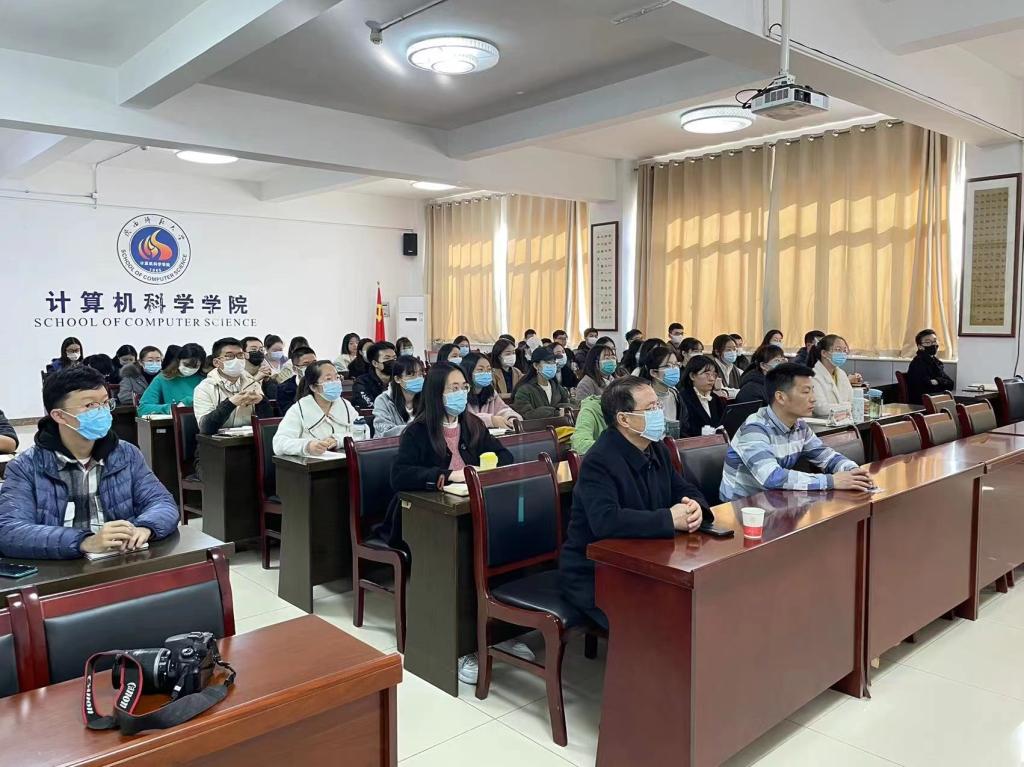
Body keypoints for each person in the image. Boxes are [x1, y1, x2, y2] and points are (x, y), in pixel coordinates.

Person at [383, 362, 522, 683]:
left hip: (471, 510)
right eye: (453, 388)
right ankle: (460, 647)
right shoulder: (418, 431)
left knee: (509, 546)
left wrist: (485, 466)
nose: (461, 393)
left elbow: (506, 457)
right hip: (425, 520)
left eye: (464, 387)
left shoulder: (472, 423)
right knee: (462, 560)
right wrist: (446, 476)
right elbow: (399, 475)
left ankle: (501, 631)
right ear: (436, 394)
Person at [560, 377, 711, 630]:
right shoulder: (599, 460)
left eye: (658, 405)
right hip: (597, 570)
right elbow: (606, 521)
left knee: (701, 601)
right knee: (662, 619)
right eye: (650, 408)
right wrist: (669, 519)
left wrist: (695, 507)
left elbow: (684, 488)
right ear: (624, 419)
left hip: (648, 559)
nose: (658, 413)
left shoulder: (656, 448)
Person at [0, 366, 179, 559]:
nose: (101, 411)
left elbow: (163, 503)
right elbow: (9, 530)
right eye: (89, 405)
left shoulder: (126, 454)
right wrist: (84, 542)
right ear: (59, 415)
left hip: (124, 561)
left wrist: (145, 527)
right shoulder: (26, 467)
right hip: (63, 569)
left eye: (105, 402)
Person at [720, 363, 874, 500]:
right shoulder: (754, 429)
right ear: (780, 397)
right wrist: (831, 481)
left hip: (775, 502)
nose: (813, 398)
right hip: (741, 510)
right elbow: (771, 477)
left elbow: (826, 456)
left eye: (813, 391)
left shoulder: (800, 425)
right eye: (806, 392)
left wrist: (853, 471)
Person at [273, 360, 366, 456]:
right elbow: (279, 444)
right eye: (328, 379)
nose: (335, 382)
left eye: (337, 377)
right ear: (314, 387)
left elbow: (364, 433)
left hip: (346, 460)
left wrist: (338, 440)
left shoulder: (345, 405)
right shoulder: (299, 409)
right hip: (311, 463)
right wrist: (307, 446)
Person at [193, 337, 272, 435]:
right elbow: (205, 428)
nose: (236, 360)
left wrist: (261, 401)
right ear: (217, 362)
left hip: (250, 440)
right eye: (229, 356)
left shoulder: (252, 383)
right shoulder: (205, 388)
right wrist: (231, 403)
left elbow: (267, 424)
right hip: (218, 443)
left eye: (240, 355)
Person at [137, 343, 206, 416]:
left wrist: (189, 401)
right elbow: (143, 408)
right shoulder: (163, 378)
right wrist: (171, 408)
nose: (190, 369)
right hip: (173, 422)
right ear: (178, 360)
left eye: (195, 366)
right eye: (186, 364)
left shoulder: (204, 380)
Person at [460, 352, 521, 428]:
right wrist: (491, 420)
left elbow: (503, 409)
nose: (485, 373)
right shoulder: (460, 393)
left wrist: (511, 418)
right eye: (480, 370)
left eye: (488, 370)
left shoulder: (491, 393)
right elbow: (463, 419)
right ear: (468, 371)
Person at [808, 334, 864, 417]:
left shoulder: (841, 374)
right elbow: (821, 409)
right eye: (838, 350)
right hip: (822, 422)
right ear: (824, 353)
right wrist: (851, 406)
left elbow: (852, 400)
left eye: (844, 350)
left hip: (844, 420)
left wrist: (858, 404)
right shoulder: (813, 376)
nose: (842, 353)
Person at [638, 345, 688, 433]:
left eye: (676, 364)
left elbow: (684, 426)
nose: (675, 369)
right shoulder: (642, 397)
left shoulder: (676, 396)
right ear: (653, 372)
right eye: (668, 366)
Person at [372, 356, 425, 437]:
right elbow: (384, 431)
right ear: (397, 379)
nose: (418, 378)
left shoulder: (427, 398)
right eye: (411, 375)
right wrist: (415, 430)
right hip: (393, 444)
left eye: (420, 374)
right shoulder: (383, 400)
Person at [513, 346, 571, 419]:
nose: (552, 366)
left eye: (554, 362)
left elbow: (567, 402)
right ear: (536, 365)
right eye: (548, 362)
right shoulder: (524, 390)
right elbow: (526, 414)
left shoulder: (556, 386)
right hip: (537, 426)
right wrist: (555, 412)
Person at [679, 355, 726, 437]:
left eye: (714, 375)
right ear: (692, 376)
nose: (711, 379)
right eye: (707, 374)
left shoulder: (716, 399)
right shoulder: (683, 399)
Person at [906, 329, 954, 405]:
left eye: (934, 341)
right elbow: (926, 386)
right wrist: (941, 382)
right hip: (922, 403)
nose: (933, 344)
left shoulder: (936, 362)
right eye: (928, 342)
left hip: (936, 400)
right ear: (920, 346)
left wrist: (937, 381)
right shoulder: (918, 363)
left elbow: (950, 383)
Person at [353, 341, 396, 409]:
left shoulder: (399, 379)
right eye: (387, 358)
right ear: (375, 363)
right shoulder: (362, 382)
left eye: (394, 358)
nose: (392, 361)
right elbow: (369, 406)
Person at [276, 346, 318, 414]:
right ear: (295, 369)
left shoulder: (322, 383)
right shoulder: (284, 389)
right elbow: (289, 413)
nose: (312, 367)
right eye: (306, 364)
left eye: (314, 363)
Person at [241, 336, 278, 401]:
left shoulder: (270, 372)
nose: (259, 352)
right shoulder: (236, 375)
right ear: (243, 354)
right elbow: (239, 397)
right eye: (253, 349)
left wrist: (267, 381)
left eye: (261, 350)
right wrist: (256, 379)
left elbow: (274, 399)